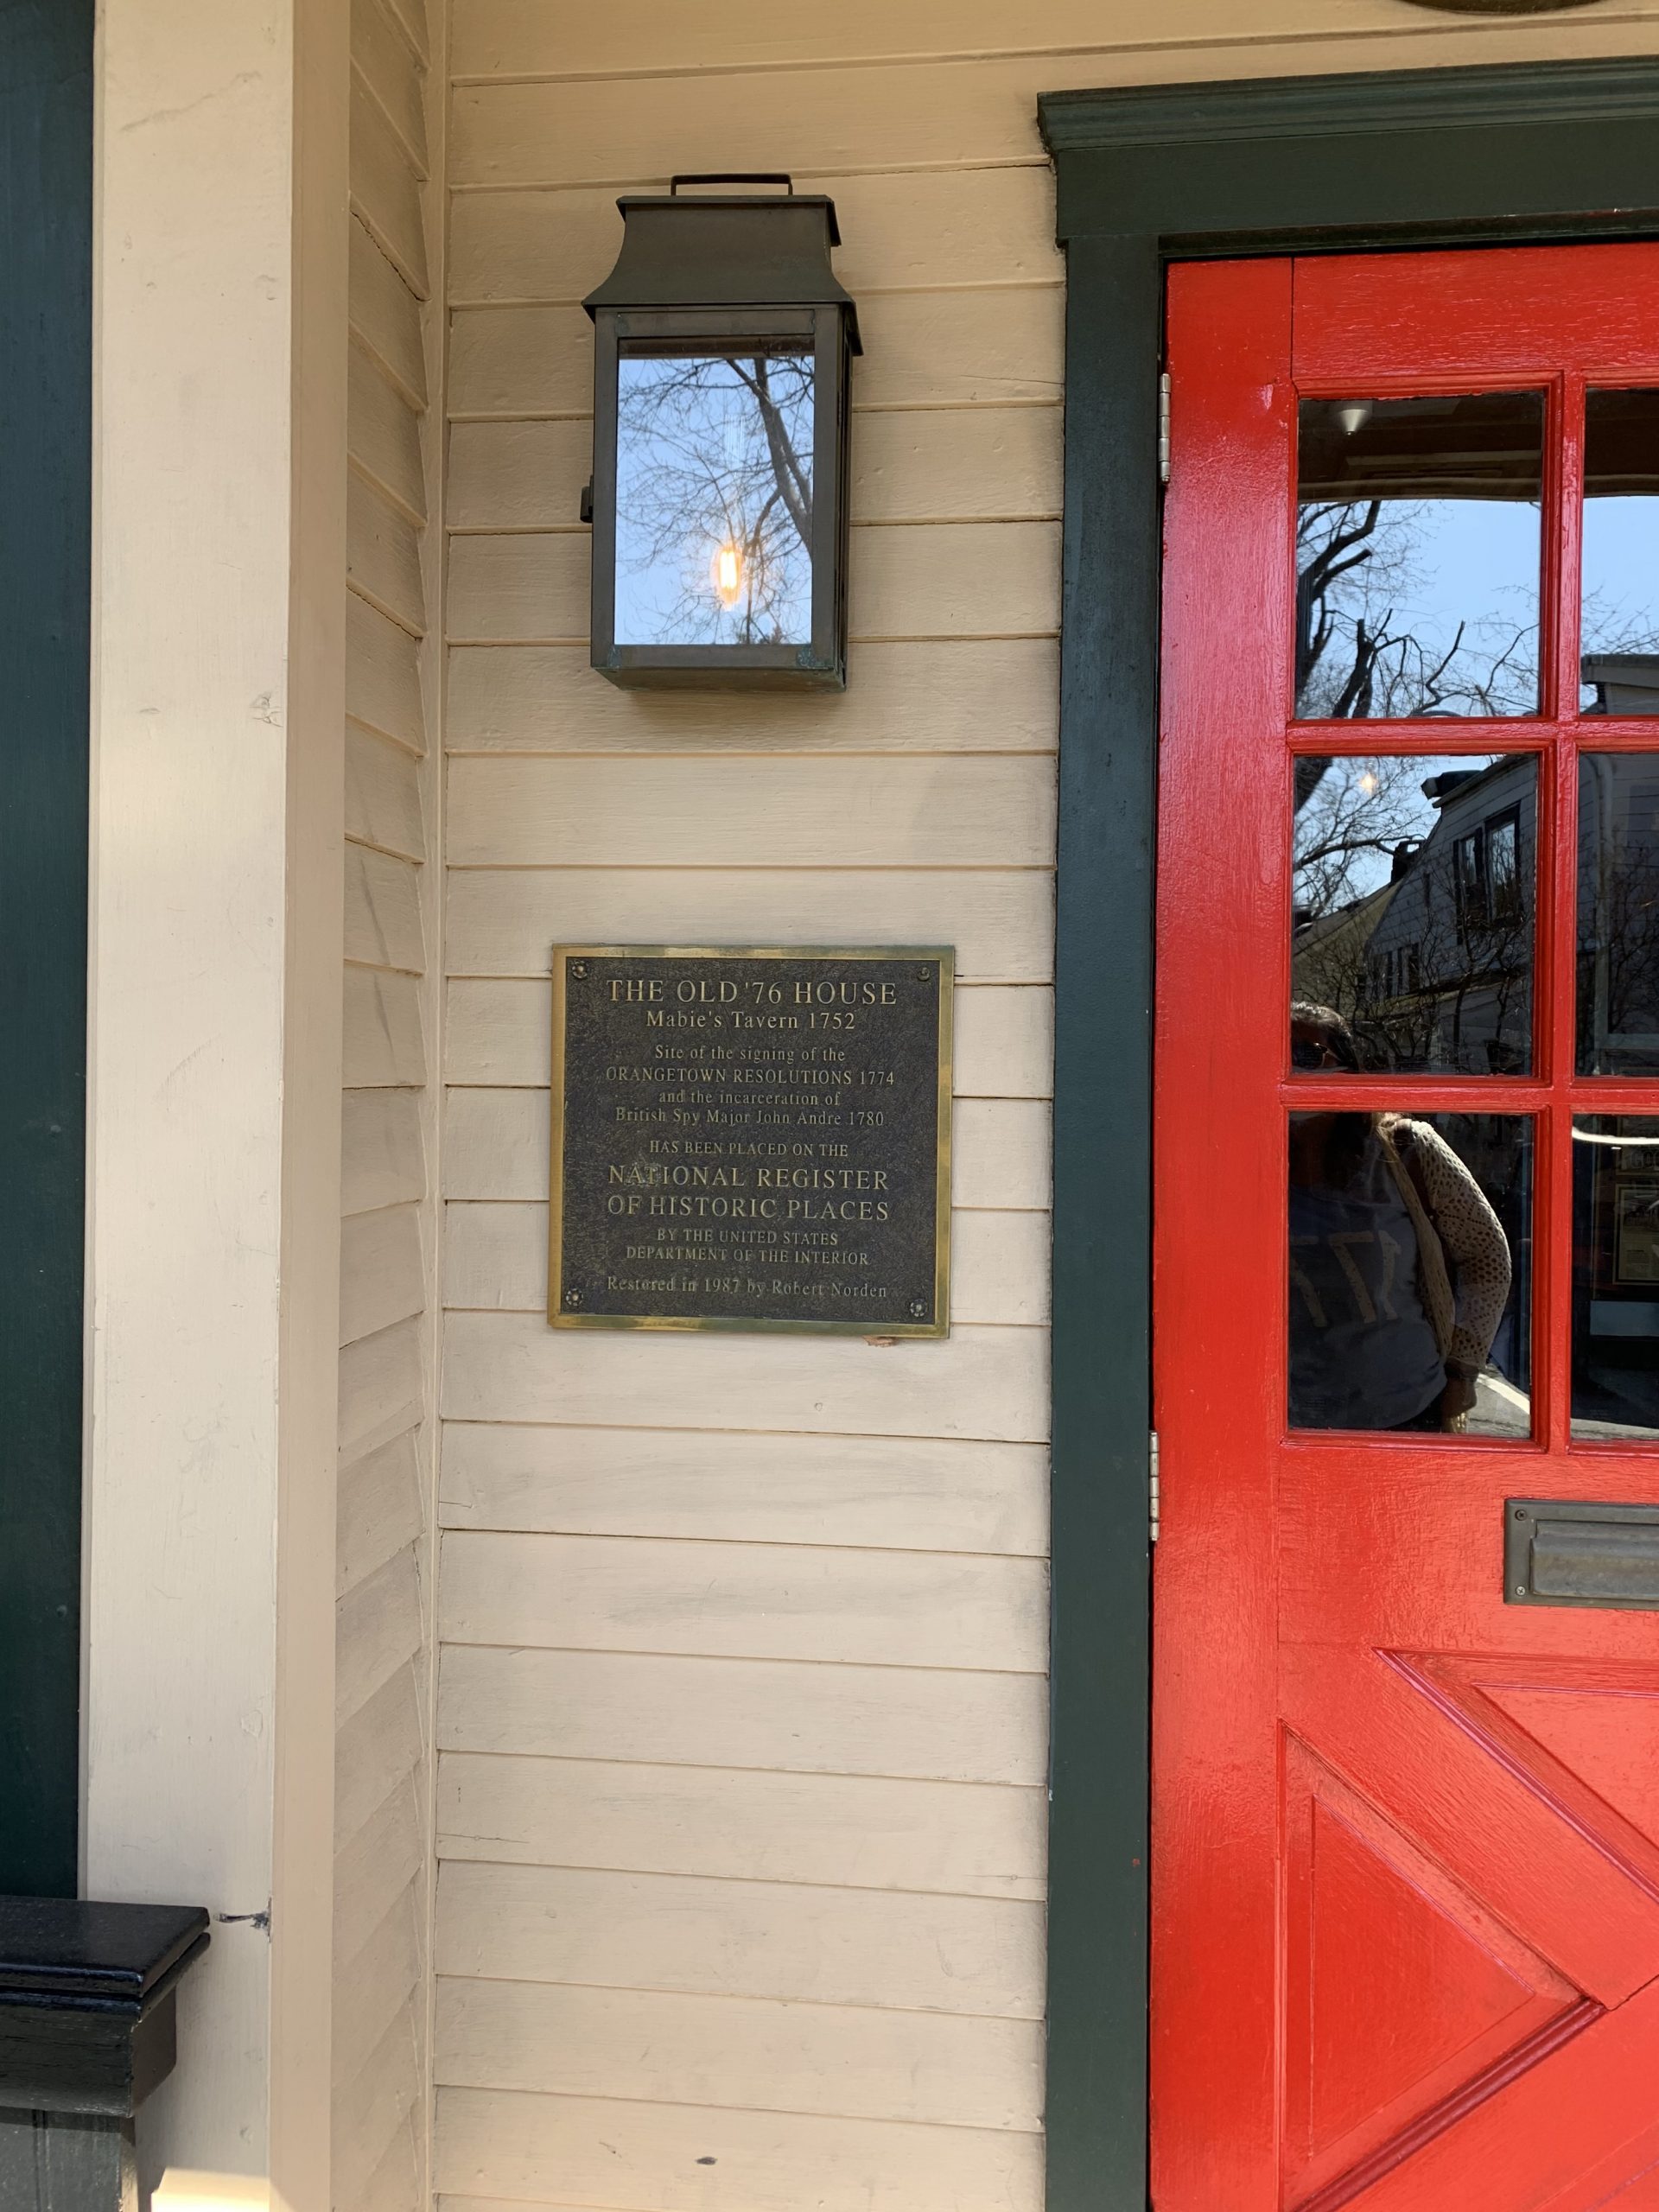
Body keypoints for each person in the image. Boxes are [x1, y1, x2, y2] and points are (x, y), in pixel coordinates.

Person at [1289, 1001, 1512, 1432]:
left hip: (1406, 1410)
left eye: (1306, 1056)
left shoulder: (1407, 1150)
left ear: (1348, 1070)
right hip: (1284, 1418)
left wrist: (1462, 1368)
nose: (1292, 1072)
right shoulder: (1244, 1161)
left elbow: (1487, 1258)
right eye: (1276, 1057)